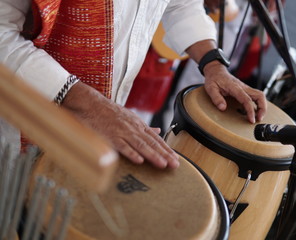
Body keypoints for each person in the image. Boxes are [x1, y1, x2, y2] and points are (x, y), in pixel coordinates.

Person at [0, 0, 267, 170]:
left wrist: (214, 65)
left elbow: (181, 4)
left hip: (96, 125)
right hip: (18, 124)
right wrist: (91, 105)